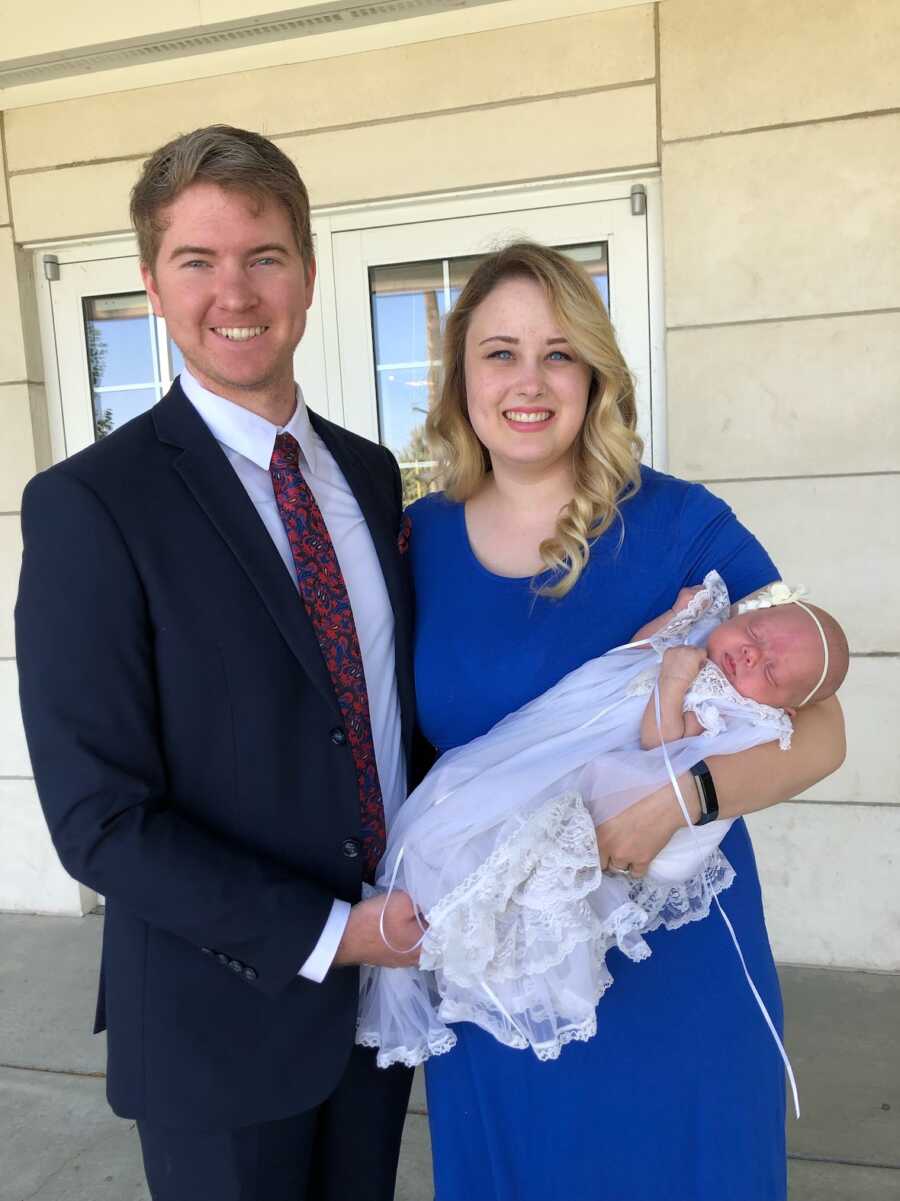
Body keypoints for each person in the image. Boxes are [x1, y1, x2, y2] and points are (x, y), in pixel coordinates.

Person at [14, 125, 424, 1201]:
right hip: (217, 1018)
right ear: (152, 283)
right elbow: (98, 817)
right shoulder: (90, 506)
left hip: (383, 1006)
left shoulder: (373, 478)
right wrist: (335, 932)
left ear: (309, 273)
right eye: (196, 260)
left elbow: (385, 714)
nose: (233, 291)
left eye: (264, 256)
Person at [399, 242, 846, 1201]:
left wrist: (680, 802)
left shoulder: (684, 524)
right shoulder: (415, 541)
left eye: (559, 353)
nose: (529, 381)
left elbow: (822, 731)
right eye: (500, 352)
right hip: (502, 981)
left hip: (673, 981)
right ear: (460, 376)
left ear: (596, 374)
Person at [357, 573, 849, 1070]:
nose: (750, 656)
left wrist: (675, 680)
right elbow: (638, 649)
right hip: (560, 722)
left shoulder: (728, 710)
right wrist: (677, 620)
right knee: (459, 786)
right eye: (758, 635)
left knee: (502, 828)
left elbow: (663, 752)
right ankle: (410, 891)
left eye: (768, 672)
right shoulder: (709, 634)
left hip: (582, 771)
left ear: (782, 706)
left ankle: (444, 914)